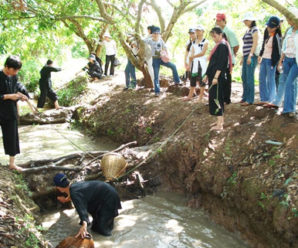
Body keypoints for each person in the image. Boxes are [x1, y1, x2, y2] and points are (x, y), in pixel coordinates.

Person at [53, 173, 122, 237]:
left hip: (108, 198)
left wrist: (84, 225)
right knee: (94, 228)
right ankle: (109, 223)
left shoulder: (74, 193)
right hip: (107, 194)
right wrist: (65, 200)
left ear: (58, 187)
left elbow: (81, 209)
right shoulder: (74, 186)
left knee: (103, 231)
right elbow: (77, 197)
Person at [266, 8, 298, 117]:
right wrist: (281, 61)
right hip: (287, 59)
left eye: (290, 19)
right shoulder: (289, 30)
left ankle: (289, 109)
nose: (288, 21)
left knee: (290, 83)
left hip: (296, 61)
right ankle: (279, 103)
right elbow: (285, 47)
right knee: (283, 81)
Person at [0, 55, 30, 171]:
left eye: (17, 70)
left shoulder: (14, 76)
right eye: (14, 70)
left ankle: (12, 164)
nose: (15, 72)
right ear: (7, 66)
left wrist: (23, 94)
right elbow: (7, 94)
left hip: (10, 111)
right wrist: (8, 96)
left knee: (12, 137)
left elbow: (17, 86)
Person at [203, 27, 231, 131]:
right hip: (213, 76)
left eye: (215, 36)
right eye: (212, 37)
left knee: (217, 99)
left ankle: (220, 124)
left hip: (217, 78)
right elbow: (212, 63)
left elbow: (221, 64)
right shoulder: (218, 46)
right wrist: (207, 75)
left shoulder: (223, 46)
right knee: (214, 98)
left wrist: (215, 77)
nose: (214, 39)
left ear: (220, 35)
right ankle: (219, 120)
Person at [146, 26, 181, 96]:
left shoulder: (160, 40)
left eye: (157, 33)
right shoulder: (149, 40)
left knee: (173, 66)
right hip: (155, 60)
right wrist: (149, 35)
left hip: (162, 58)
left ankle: (177, 81)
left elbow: (165, 47)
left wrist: (166, 55)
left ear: (159, 34)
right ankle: (157, 91)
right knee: (156, 76)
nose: (156, 35)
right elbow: (143, 40)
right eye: (154, 33)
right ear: (152, 34)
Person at [257, 16, 282, 105]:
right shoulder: (266, 33)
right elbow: (264, 44)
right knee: (261, 78)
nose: (269, 28)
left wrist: (276, 63)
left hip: (271, 61)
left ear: (276, 27)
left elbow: (279, 51)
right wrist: (260, 54)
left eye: (271, 27)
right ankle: (264, 98)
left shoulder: (277, 37)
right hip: (264, 58)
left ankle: (271, 99)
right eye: (268, 26)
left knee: (270, 80)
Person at [216, 13, 239, 104]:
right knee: (220, 79)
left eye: (219, 20)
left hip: (228, 60)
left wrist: (232, 55)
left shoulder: (229, 31)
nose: (217, 22)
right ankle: (221, 98)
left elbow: (236, 45)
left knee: (226, 79)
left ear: (224, 21)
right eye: (216, 20)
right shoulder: (218, 31)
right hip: (221, 59)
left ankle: (226, 99)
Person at [240, 12, 259, 106]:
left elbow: (255, 43)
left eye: (247, 20)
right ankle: (245, 97)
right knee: (244, 76)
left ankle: (250, 99)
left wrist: (250, 55)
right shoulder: (248, 30)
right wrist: (242, 57)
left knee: (249, 77)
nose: (245, 22)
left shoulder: (255, 30)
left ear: (251, 20)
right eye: (245, 20)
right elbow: (245, 44)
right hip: (245, 55)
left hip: (251, 56)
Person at [186, 25, 208, 102]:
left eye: (199, 30)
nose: (198, 32)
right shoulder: (193, 42)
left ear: (202, 31)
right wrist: (189, 64)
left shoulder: (205, 41)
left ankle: (200, 97)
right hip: (194, 63)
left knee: (201, 79)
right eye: (197, 30)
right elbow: (191, 53)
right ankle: (190, 96)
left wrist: (193, 56)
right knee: (193, 79)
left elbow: (203, 53)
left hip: (202, 63)